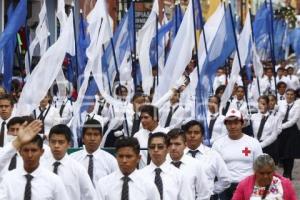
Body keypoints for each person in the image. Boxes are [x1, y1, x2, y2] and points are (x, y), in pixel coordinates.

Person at [213, 108, 263, 199]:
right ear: (226, 125)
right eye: (229, 123)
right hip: (225, 187)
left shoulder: (253, 143)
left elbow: (260, 167)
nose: (233, 126)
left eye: (236, 123)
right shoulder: (218, 144)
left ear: (242, 124)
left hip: (248, 186)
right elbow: (213, 168)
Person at [0, 135, 69, 200]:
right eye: (26, 150)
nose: (30, 155)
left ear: (42, 152)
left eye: (34, 150)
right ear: (20, 152)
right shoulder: (8, 179)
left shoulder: (54, 180)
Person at [96, 137, 160, 200]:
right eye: (120, 156)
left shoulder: (148, 185)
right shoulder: (104, 184)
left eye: (128, 156)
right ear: (116, 157)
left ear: (138, 158)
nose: (124, 160)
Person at [45, 124, 97, 199]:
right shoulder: (42, 166)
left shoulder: (78, 169)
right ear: (49, 143)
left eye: (61, 142)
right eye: (53, 142)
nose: (56, 145)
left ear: (69, 144)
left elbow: (90, 196)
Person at [182, 120, 231, 199]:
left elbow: (226, 179)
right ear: (184, 135)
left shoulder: (213, 155)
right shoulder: (179, 155)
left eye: (196, 132)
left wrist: (210, 191)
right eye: (189, 132)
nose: (192, 135)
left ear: (203, 136)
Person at [139, 132, 193, 200]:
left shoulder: (179, 175)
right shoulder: (139, 176)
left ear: (168, 149)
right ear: (149, 150)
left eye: (160, 147)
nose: (156, 150)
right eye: (152, 147)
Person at [70, 119, 118, 184]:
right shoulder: (73, 159)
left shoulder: (110, 161)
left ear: (101, 138)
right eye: (89, 134)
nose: (92, 138)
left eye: (96, 135)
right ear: (83, 138)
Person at [167, 128, 210, 200]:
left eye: (177, 144)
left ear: (185, 144)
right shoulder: (161, 164)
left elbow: (204, 194)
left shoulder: (196, 165)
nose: (173, 148)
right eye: (170, 144)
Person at [232, 154, 297, 200]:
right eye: (261, 173)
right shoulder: (244, 184)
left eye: (269, 173)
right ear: (255, 171)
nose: (265, 176)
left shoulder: (285, 184)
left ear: (273, 171)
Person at [251, 96, 281, 163]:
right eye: (259, 103)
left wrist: (262, 145)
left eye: (263, 104)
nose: (261, 106)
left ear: (268, 105)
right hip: (254, 145)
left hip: (268, 147)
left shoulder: (273, 119)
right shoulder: (253, 117)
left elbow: (274, 135)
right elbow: (250, 131)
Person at [278, 88, 300, 179]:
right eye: (288, 94)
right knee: (282, 152)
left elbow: (294, 120)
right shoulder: (280, 104)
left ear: (294, 96)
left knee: (289, 153)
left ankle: (288, 173)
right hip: (281, 131)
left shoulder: (297, 106)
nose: (290, 96)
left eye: (292, 94)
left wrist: (281, 126)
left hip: (292, 130)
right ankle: (284, 172)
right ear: (285, 95)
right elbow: (277, 116)